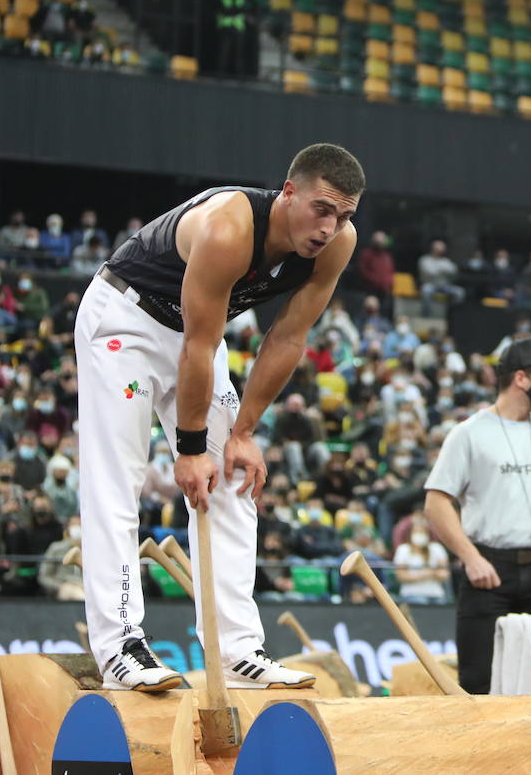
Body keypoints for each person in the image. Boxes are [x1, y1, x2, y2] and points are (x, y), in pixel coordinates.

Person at [75, 143, 364, 691]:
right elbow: (198, 347)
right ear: (288, 193)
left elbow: (288, 337)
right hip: (126, 319)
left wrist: (245, 433)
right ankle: (119, 647)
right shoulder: (230, 229)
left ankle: (236, 651)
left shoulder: (337, 245)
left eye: (345, 215)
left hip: (195, 339)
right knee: (119, 480)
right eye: (322, 209)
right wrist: (187, 451)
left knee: (235, 473)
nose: (331, 227)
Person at [424, 337, 531, 694]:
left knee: (529, 682)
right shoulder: (469, 433)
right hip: (490, 570)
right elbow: (436, 503)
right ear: (521, 378)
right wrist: (471, 559)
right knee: (478, 682)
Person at [392, 516, 451, 603]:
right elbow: (400, 576)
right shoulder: (403, 549)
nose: (419, 535)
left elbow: (445, 574)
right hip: (411, 594)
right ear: (410, 534)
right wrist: (426, 573)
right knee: (420, 601)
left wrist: (426, 573)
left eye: (423, 532)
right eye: (416, 532)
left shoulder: (437, 548)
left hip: (436, 594)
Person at [40, 515, 85, 600]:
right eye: (73, 524)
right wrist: (59, 586)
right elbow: (44, 576)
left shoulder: (90, 549)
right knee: (79, 595)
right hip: (65, 587)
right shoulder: (56, 548)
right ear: (67, 528)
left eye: (79, 524)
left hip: (85, 587)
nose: (77, 527)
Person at [417, 238, 465, 306]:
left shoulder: (446, 260)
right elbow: (430, 272)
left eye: (443, 247)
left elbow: (454, 271)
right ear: (433, 248)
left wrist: (438, 269)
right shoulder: (425, 260)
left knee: (460, 292)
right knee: (426, 290)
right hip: (430, 285)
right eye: (439, 247)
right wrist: (444, 270)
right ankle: (427, 315)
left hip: (445, 286)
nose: (441, 249)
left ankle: (453, 313)